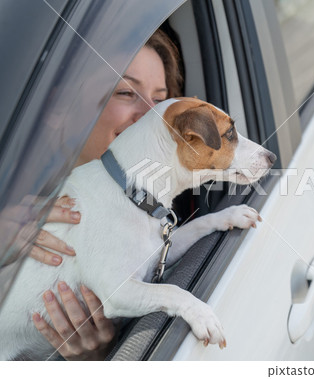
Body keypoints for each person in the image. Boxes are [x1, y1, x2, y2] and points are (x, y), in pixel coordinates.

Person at [28, 29, 183, 360]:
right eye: (126, 92)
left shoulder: (155, 214)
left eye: (160, 101)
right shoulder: (14, 206)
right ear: (58, 107)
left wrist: (93, 358)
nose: (152, 115)